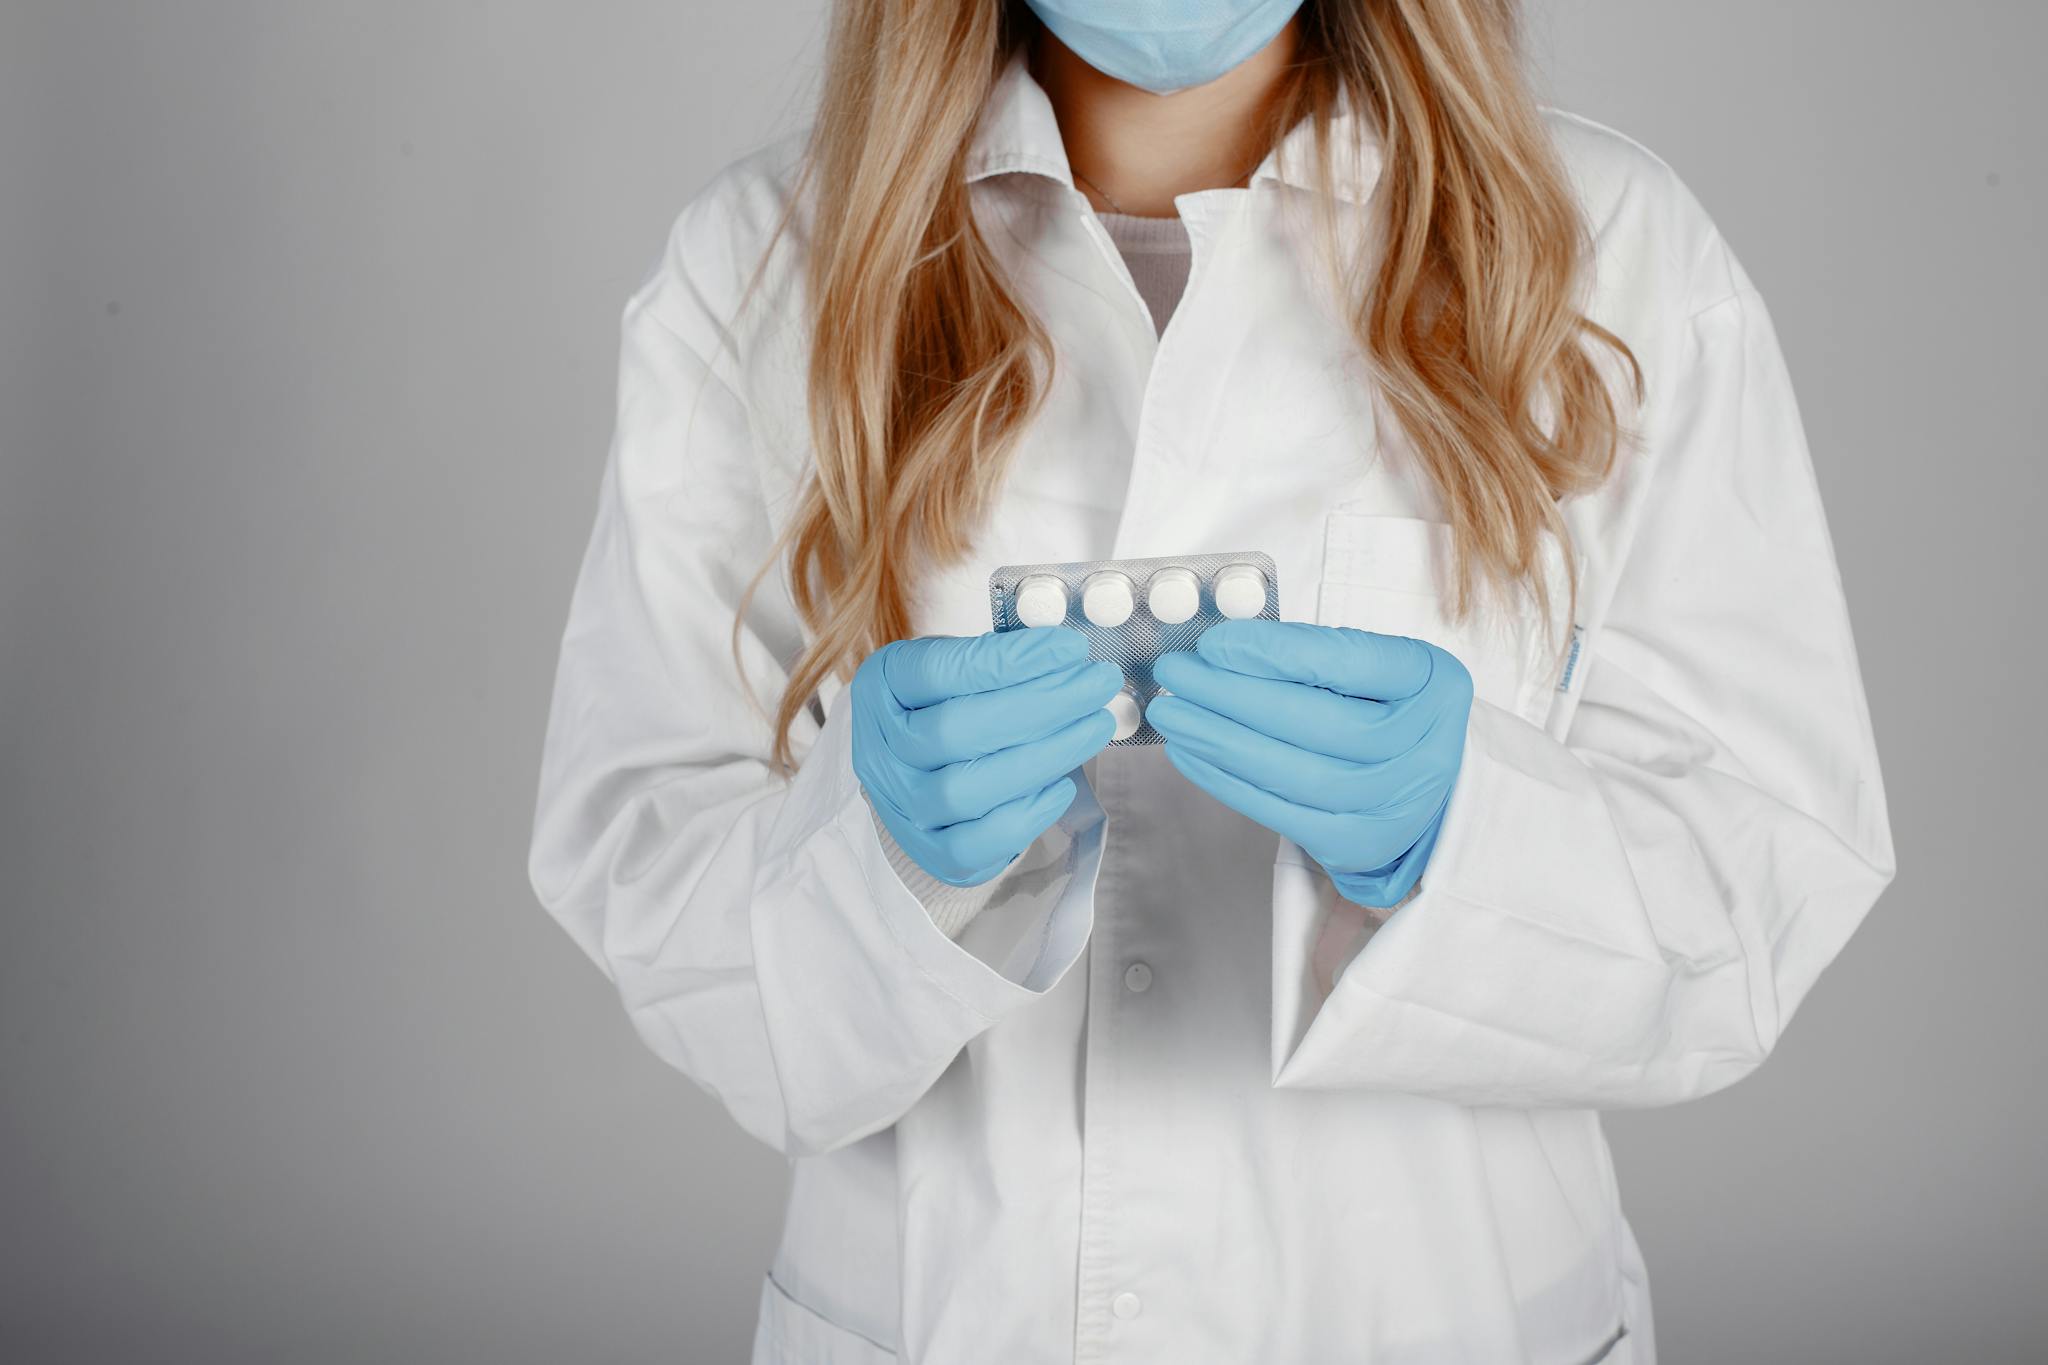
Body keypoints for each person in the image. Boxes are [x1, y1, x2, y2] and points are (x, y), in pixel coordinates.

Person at [525, 1, 1895, 1360]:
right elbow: (642, 873)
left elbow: (1765, 868)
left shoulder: (1613, 256)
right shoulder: (763, 272)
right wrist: (869, 858)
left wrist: (1468, 837)